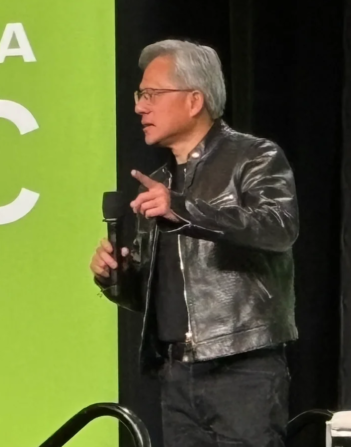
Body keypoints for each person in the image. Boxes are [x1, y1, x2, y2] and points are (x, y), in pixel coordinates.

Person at [89, 39, 299, 447]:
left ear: (193, 100)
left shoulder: (254, 157)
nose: (139, 107)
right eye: (139, 95)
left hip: (242, 368)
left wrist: (184, 210)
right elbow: (164, 293)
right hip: (177, 373)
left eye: (150, 94)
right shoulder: (160, 183)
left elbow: (279, 227)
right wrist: (116, 276)